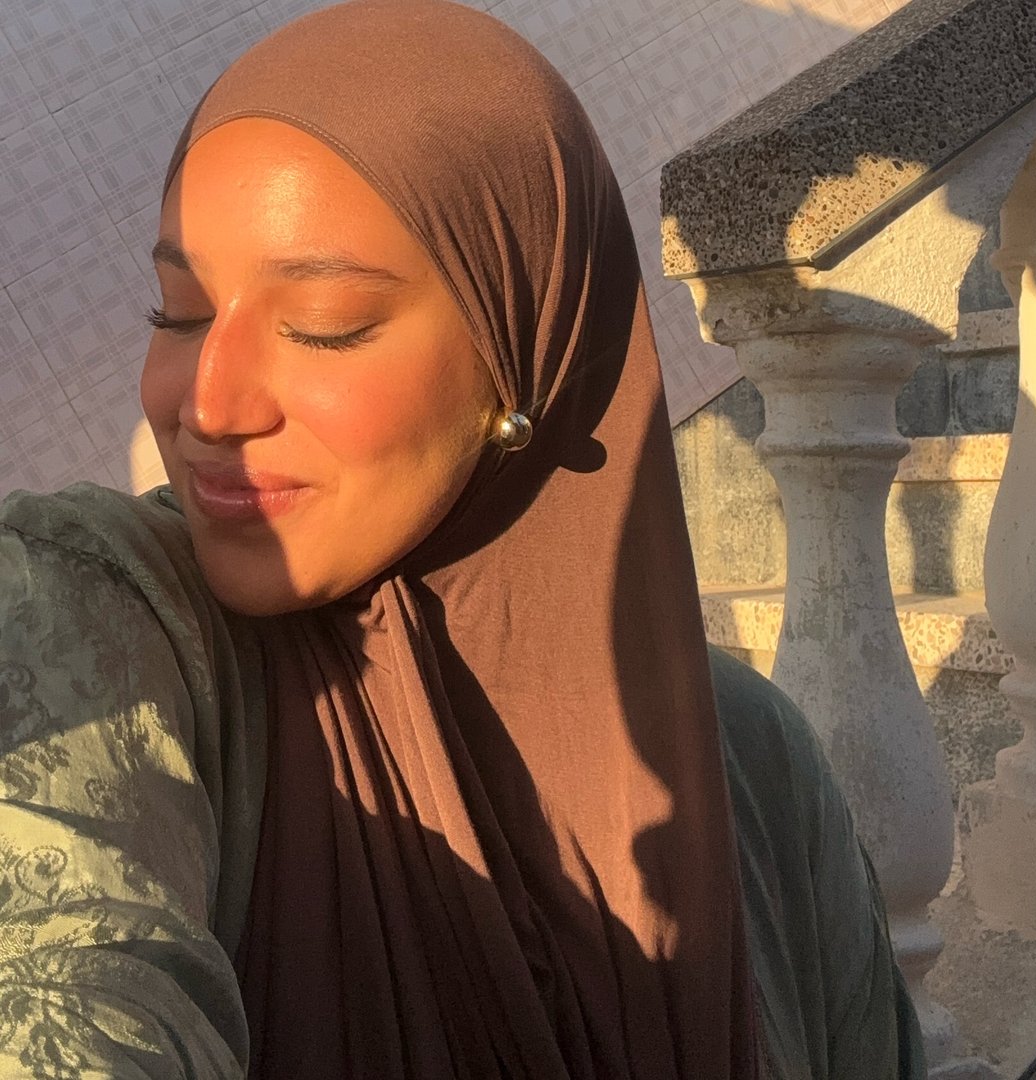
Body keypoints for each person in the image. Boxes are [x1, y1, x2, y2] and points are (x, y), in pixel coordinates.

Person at [0, 2, 924, 1077]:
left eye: (324, 325)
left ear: (521, 349)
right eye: (178, 312)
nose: (205, 403)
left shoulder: (749, 764)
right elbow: (69, 975)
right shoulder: (99, 622)